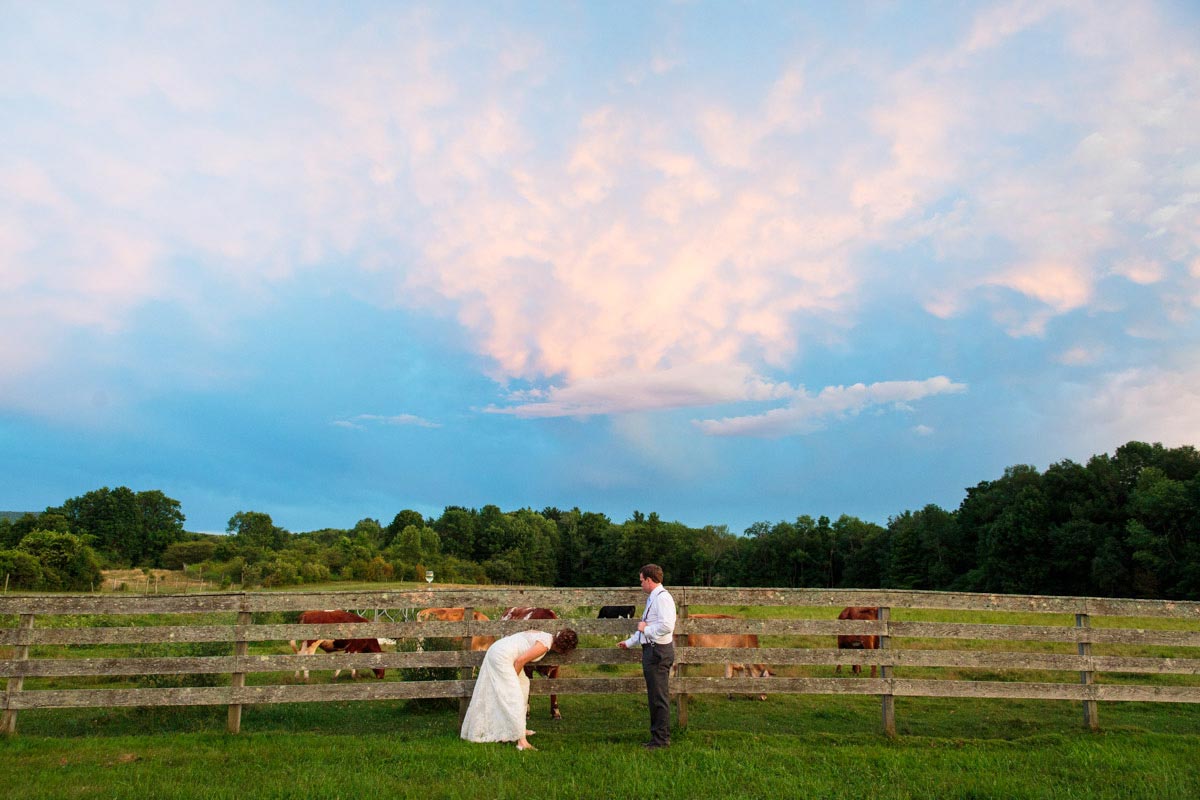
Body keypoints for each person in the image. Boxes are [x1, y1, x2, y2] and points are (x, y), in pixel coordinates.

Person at [461, 627, 579, 751]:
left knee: (524, 685)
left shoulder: (546, 636)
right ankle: (521, 741)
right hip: (502, 656)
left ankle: (520, 727)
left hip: (501, 650)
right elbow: (520, 661)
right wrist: (513, 682)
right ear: (562, 649)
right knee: (514, 695)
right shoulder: (544, 645)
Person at [617, 563, 676, 749]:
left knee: (659, 697)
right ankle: (657, 737)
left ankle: (661, 740)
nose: (640, 584)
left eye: (642, 580)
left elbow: (667, 626)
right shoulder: (654, 597)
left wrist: (646, 630)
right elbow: (645, 625)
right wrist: (630, 642)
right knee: (655, 696)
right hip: (652, 650)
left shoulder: (663, 599)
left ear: (649, 580)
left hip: (658, 652)